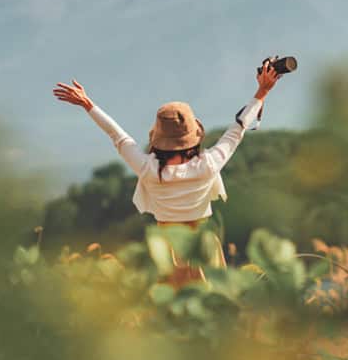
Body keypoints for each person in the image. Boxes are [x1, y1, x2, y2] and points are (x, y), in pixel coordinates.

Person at [52, 61, 282, 279]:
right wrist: (262, 91)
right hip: (204, 247)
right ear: (193, 136)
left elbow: (117, 136)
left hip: (166, 250)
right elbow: (239, 128)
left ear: (159, 138)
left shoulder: (148, 170)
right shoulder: (207, 165)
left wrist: (88, 104)